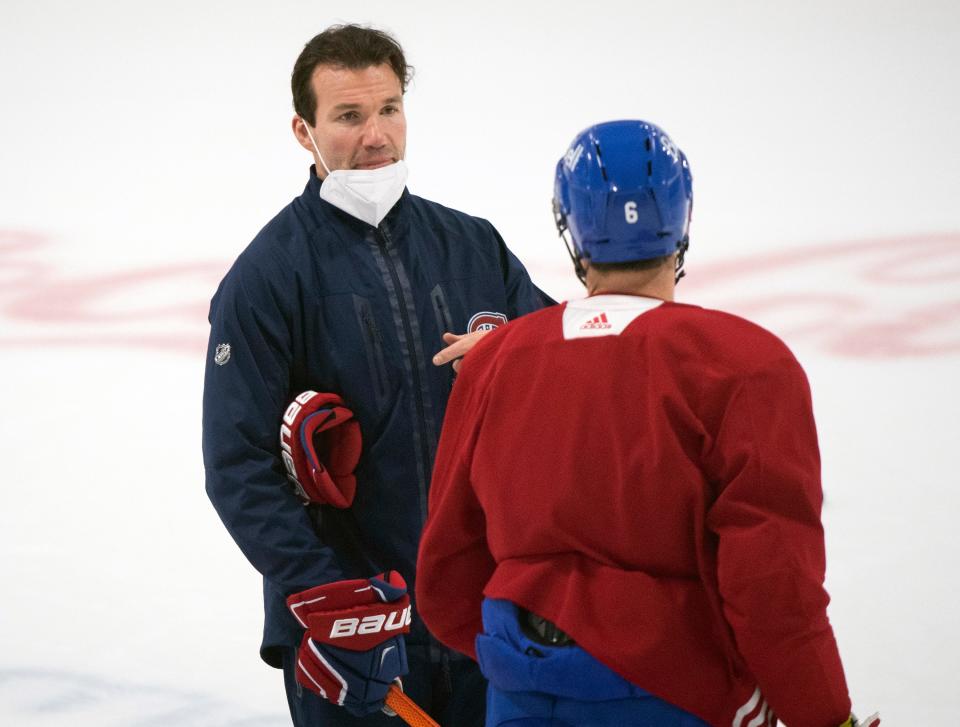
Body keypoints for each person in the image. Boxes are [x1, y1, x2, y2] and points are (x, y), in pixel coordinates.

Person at [416, 120, 878, 727]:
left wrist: (523, 658)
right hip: (675, 690)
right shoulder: (746, 364)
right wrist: (823, 715)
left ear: (569, 226)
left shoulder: (496, 361)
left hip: (519, 680)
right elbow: (772, 584)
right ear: (682, 219)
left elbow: (448, 569)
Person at [202, 24, 551, 727]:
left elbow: (577, 390)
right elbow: (236, 465)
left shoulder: (473, 245)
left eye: (389, 109)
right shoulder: (266, 279)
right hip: (358, 651)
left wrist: (521, 357)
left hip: (489, 624)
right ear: (304, 131)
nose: (376, 135)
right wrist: (328, 598)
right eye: (349, 116)